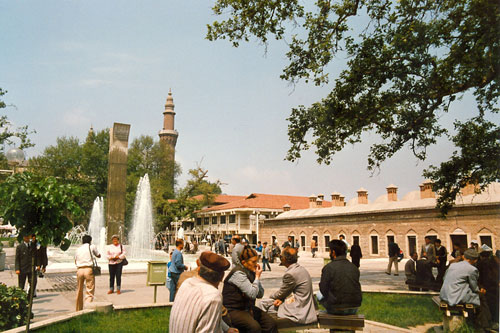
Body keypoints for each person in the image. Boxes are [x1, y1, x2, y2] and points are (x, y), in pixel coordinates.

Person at [170, 251, 238, 333]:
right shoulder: (212, 296)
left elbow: (205, 317)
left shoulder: (187, 283)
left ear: (199, 269)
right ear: (221, 277)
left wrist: (227, 329)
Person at [223, 246, 277, 333]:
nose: (256, 264)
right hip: (234, 310)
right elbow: (252, 294)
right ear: (244, 262)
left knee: (270, 324)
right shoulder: (238, 273)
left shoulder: (251, 271)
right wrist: (257, 277)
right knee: (254, 328)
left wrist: (257, 278)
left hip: (247, 308)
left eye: (257, 261)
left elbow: (260, 294)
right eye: (253, 262)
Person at [259, 247, 317, 324]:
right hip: (305, 305)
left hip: (299, 309)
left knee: (263, 305)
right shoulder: (301, 269)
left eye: (281, 257)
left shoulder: (290, 274)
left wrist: (271, 296)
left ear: (284, 259)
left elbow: (281, 293)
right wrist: (281, 299)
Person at [319, 240, 362, 315]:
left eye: (330, 251)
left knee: (318, 295)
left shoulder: (328, 267)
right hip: (354, 307)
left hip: (336, 307)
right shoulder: (354, 267)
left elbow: (323, 289)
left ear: (333, 252)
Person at [75, 235, 101, 311]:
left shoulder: (78, 249)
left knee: (79, 290)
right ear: (90, 241)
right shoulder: (92, 247)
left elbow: (75, 260)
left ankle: (78, 309)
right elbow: (98, 255)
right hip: (88, 269)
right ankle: (87, 308)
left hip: (79, 270)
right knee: (89, 290)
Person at [477, 245, 499, 327]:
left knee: (485, 305)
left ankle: (486, 324)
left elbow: (478, 277)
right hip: (495, 286)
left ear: (481, 256)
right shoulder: (496, 262)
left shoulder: (481, 263)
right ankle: (495, 321)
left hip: (485, 287)